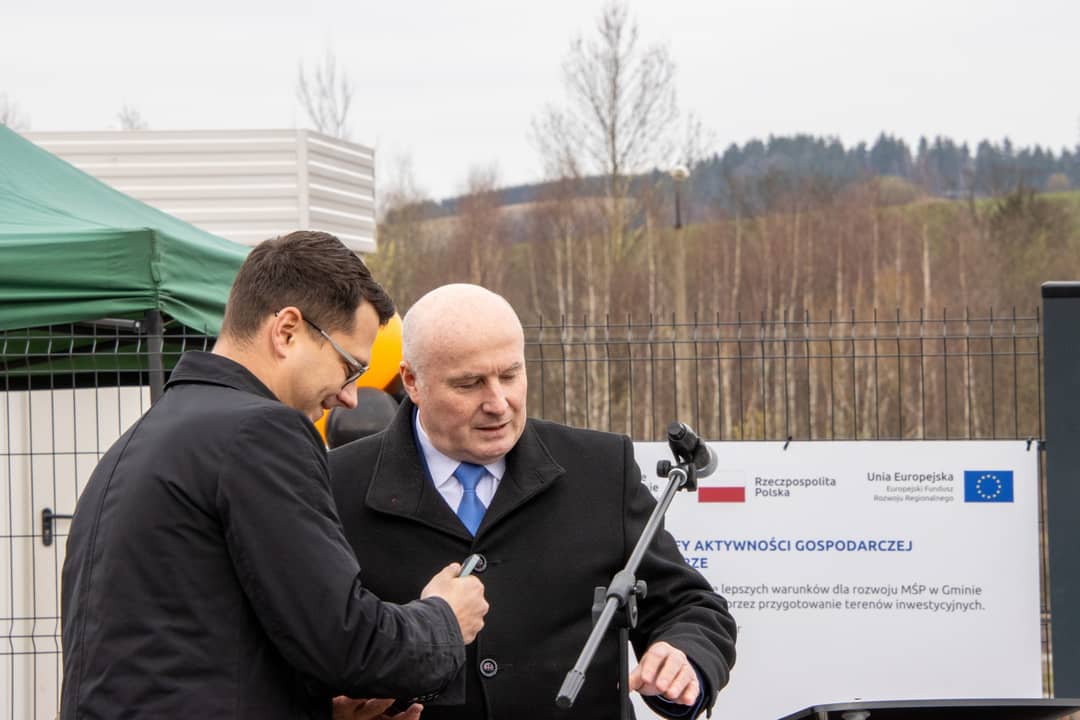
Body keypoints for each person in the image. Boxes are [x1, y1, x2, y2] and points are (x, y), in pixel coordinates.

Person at [60, 232, 488, 720]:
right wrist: (444, 620)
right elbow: (344, 641)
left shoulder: (142, 440)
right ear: (287, 330)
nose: (350, 397)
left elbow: (184, 654)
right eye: (349, 367)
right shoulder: (260, 432)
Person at [329, 284, 736, 719]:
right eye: (469, 384)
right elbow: (308, 641)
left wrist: (683, 657)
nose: (498, 403)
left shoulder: (601, 468)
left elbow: (689, 605)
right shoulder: (335, 484)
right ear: (412, 381)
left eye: (510, 375)